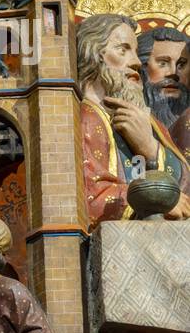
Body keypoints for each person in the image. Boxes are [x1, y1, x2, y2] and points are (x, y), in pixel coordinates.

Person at [76, 14, 190, 225]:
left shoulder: (151, 123)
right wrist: (159, 199)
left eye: (136, 52)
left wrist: (150, 148)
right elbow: (90, 198)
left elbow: (187, 186)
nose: (137, 63)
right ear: (93, 55)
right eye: (123, 50)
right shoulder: (86, 119)